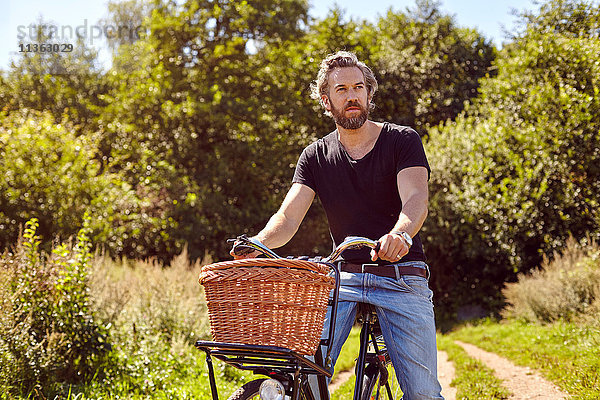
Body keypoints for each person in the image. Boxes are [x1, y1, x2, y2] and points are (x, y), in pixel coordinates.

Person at [231, 51, 443, 400]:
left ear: (369, 95)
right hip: (342, 278)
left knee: (423, 394)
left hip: (401, 275)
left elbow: (416, 198)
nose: (352, 95)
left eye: (359, 87)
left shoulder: (402, 140)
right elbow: (288, 216)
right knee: (300, 372)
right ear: (327, 101)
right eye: (342, 89)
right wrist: (257, 243)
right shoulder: (315, 155)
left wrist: (402, 233)